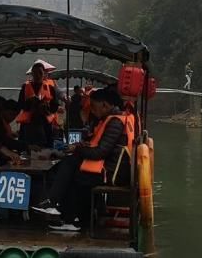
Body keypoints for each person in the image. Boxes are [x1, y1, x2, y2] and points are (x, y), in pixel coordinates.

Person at [33, 86, 133, 233]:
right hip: (110, 168)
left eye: (94, 106)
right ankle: (65, 212)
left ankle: (66, 215)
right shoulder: (111, 119)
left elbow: (100, 152)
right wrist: (81, 147)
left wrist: (78, 149)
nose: (92, 110)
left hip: (112, 173)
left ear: (105, 105)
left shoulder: (115, 122)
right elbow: (98, 146)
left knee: (71, 172)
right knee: (69, 166)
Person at [16, 60, 62, 149]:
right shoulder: (25, 87)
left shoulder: (50, 88)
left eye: (39, 73)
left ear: (44, 74)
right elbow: (20, 104)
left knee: (46, 149)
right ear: (32, 74)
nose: (37, 75)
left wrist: (46, 106)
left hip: (44, 123)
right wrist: (30, 102)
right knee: (27, 148)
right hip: (28, 124)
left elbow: (55, 106)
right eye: (35, 73)